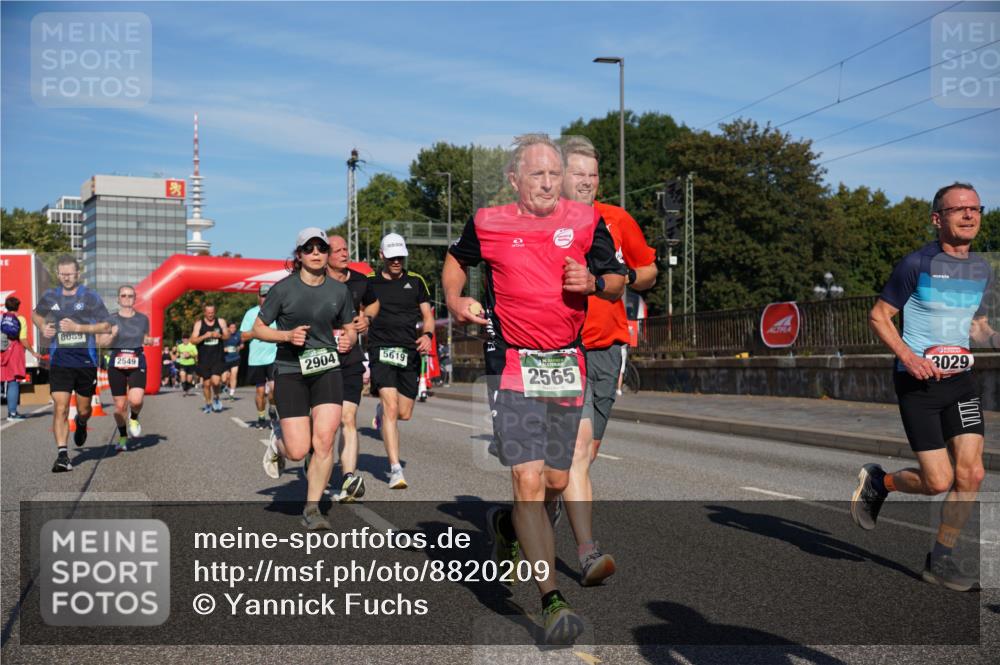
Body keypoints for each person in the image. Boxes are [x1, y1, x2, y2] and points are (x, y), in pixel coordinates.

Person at [443, 134, 626, 644]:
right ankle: (552, 600)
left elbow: (617, 279)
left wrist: (593, 283)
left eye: (554, 174)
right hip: (512, 360)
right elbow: (456, 262)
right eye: (537, 174)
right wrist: (455, 300)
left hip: (565, 360)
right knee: (527, 478)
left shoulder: (585, 221)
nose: (548, 183)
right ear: (514, 179)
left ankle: (506, 526)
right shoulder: (488, 222)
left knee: (555, 479)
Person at [852, 182, 998, 592]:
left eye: (975, 209)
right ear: (937, 219)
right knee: (937, 481)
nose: (968, 215)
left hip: (961, 382)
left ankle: (942, 559)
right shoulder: (916, 264)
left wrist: (994, 336)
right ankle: (882, 482)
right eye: (958, 209)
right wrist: (909, 357)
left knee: (972, 473)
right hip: (918, 384)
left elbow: (977, 326)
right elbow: (879, 316)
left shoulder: (982, 269)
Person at [557, 135, 658, 586]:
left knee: (586, 453)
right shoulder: (547, 223)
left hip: (606, 348)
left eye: (593, 175)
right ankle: (585, 551)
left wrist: (620, 275)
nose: (587, 182)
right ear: (560, 176)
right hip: (562, 350)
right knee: (574, 453)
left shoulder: (615, 218)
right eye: (578, 173)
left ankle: (527, 518)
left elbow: (649, 272)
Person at [253, 227, 357, 530]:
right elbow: (258, 329)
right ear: (298, 255)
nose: (316, 253)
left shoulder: (339, 291)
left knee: (324, 440)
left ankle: (312, 508)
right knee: (298, 451)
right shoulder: (283, 290)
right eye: (309, 248)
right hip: (291, 370)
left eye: (321, 248)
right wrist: (286, 335)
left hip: (327, 368)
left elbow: (350, 327)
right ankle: (278, 443)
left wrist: (349, 339)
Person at [365, 232, 434, 490]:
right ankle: (395, 469)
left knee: (404, 413)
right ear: (381, 255)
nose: (396, 262)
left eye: (400, 257)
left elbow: (427, 316)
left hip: (408, 351)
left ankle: (381, 411)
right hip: (380, 348)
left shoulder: (415, 281)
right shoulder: (369, 282)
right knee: (392, 408)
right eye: (392, 257)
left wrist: (427, 335)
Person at [32, 255, 111, 472]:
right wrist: (42, 326)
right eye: (63, 274)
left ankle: (82, 423)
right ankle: (62, 455)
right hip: (60, 361)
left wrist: (79, 328)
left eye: (70, 274)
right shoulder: (50, 296)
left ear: (78, 274)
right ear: (58, 275)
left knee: (84, 410)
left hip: (85, 361)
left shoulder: (90, 297)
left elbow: (106, 325)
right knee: (61, 407)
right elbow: (36, 315)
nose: (67, 278)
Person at [327, 234, 377, 502]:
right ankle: (313, 455)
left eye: (346, 249)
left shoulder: (360, 280)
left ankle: (348, 478)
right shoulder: (315, 281)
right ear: (326, 255)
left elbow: (374, 302)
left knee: (348, 418)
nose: (345, 253)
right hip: (322, 359)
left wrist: (366, 318)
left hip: (351, 359)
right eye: (338, 250)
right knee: (324, 423)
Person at [98, 285, 152, 452]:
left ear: (134, 299)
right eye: (123, 295)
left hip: (137, 362)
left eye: (130, 296)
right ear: (118, 299)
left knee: (136, 400)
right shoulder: (110, 319)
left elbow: (146, 338)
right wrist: (113, 335)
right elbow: (100, 343)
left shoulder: (143, 319)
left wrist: (149, 340)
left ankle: (134, 417)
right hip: (117, 364)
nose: (127, 298)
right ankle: (122, 437)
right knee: (120, 407)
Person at [240, 284, 278, 429]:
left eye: (268, 296)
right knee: (260, 391)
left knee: (275, 388)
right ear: (258, 297)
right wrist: (257, 333)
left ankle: (273, 408)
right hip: (256, 360)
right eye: (263, 296)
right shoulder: (251, 314)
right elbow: (243, 336)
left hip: (274, 358)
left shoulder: (278, 312)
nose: (265, 299)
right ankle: (261, 416)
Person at [191, 304, 228, 414]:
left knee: (216, 382)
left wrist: (220, 336)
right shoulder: (199, 324)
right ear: (204, 312)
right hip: (204, 359)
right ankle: (208, 404)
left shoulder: (221, 322)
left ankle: (216, 397)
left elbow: (227, 336)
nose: (211, 315)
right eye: (208, 313)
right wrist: (204, 336)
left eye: (212, 312)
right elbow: (193, 340)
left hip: (218, 357)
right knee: (206, 384)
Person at [2, 296, 32, 421]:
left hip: (2, 352)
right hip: (14, 352)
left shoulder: (2, 318)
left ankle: (12, 413)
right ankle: (12, 413)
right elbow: (22, 339)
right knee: (13, 381)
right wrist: (33, 352)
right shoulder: (20, 319)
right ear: (18, 307)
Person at [222, 322, 242, 400]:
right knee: (224, 379)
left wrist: (239, 347)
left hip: (235, 358)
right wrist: (224, 349)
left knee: (234, 375)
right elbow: (219, 347)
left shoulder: (238, 335)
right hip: (225, 359)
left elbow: (241, 344)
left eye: (234, 327)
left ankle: (231, 394)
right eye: (231, 327)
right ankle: (225, 386)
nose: (233, 329)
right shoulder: (224, 336)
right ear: (228, 328)